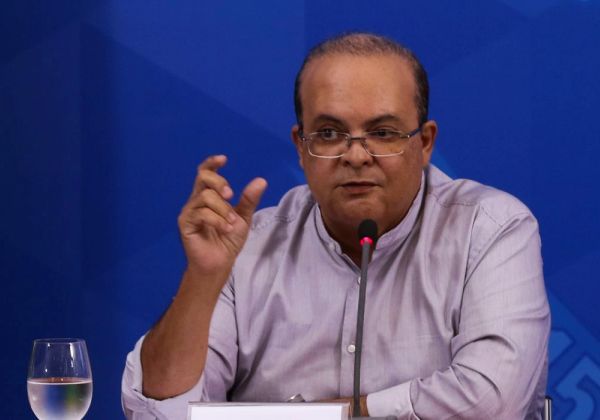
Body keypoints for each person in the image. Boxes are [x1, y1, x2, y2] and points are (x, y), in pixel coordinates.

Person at [122, 32, 550, 419]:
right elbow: (161, 412)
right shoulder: (246, 245)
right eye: (329, 133)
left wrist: (333, 415)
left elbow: (494, 403)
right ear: (301, 147)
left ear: (424, 144)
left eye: (383, 132)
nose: (356, 156)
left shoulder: (489, 229)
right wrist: (202, 278)